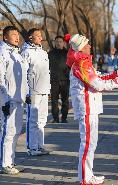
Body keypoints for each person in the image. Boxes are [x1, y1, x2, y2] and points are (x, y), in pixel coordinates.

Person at [65, 34, 118, 185]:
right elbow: (98, 85)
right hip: (86, 108)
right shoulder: (81, 64)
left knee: (91, 143)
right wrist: (117, 82)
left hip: (90, 107)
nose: (90, 47)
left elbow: (99, 77)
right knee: (87, 143)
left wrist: (116, 74)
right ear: (81, 48)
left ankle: (88, 175)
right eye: (87, 45)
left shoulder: (84, 63)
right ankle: (85, 178)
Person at [0, 26, 28, 174]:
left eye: (17, 35)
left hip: (19, 99)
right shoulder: (2, 53)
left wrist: (27, 94)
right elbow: (0, 79)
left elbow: (23, 77)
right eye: (13, 35)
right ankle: (4, 164)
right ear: (5, 37)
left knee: (16, 131)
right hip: (8, 99)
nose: (17, 37)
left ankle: (10, 160)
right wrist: (4, 100)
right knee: (7, 131)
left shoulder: (17, 54)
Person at [21, 28, 50, 156]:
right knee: (33, 119)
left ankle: (40, 145)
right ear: (30, 37)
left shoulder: (44, 52)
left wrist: (48, 90)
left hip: (44, 90)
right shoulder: (26, 52)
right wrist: (26, 92)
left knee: (42, 120)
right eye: (37, 35)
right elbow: (23, 74)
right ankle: (32, 147)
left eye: (40, 35)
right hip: (33, 91)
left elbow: (46, 73)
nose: (40, 37)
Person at [48, 36, 70, 123]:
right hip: (54, 80)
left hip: (65, 80)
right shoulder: (51, 53)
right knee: (54, 100)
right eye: (57, 41)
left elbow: (71, 66)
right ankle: (55, 118)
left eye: (60, 41)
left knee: (65, 100)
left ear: (63, 43)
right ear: (54, 42)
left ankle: (64, 118)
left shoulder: (67, 53)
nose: (58, 43)